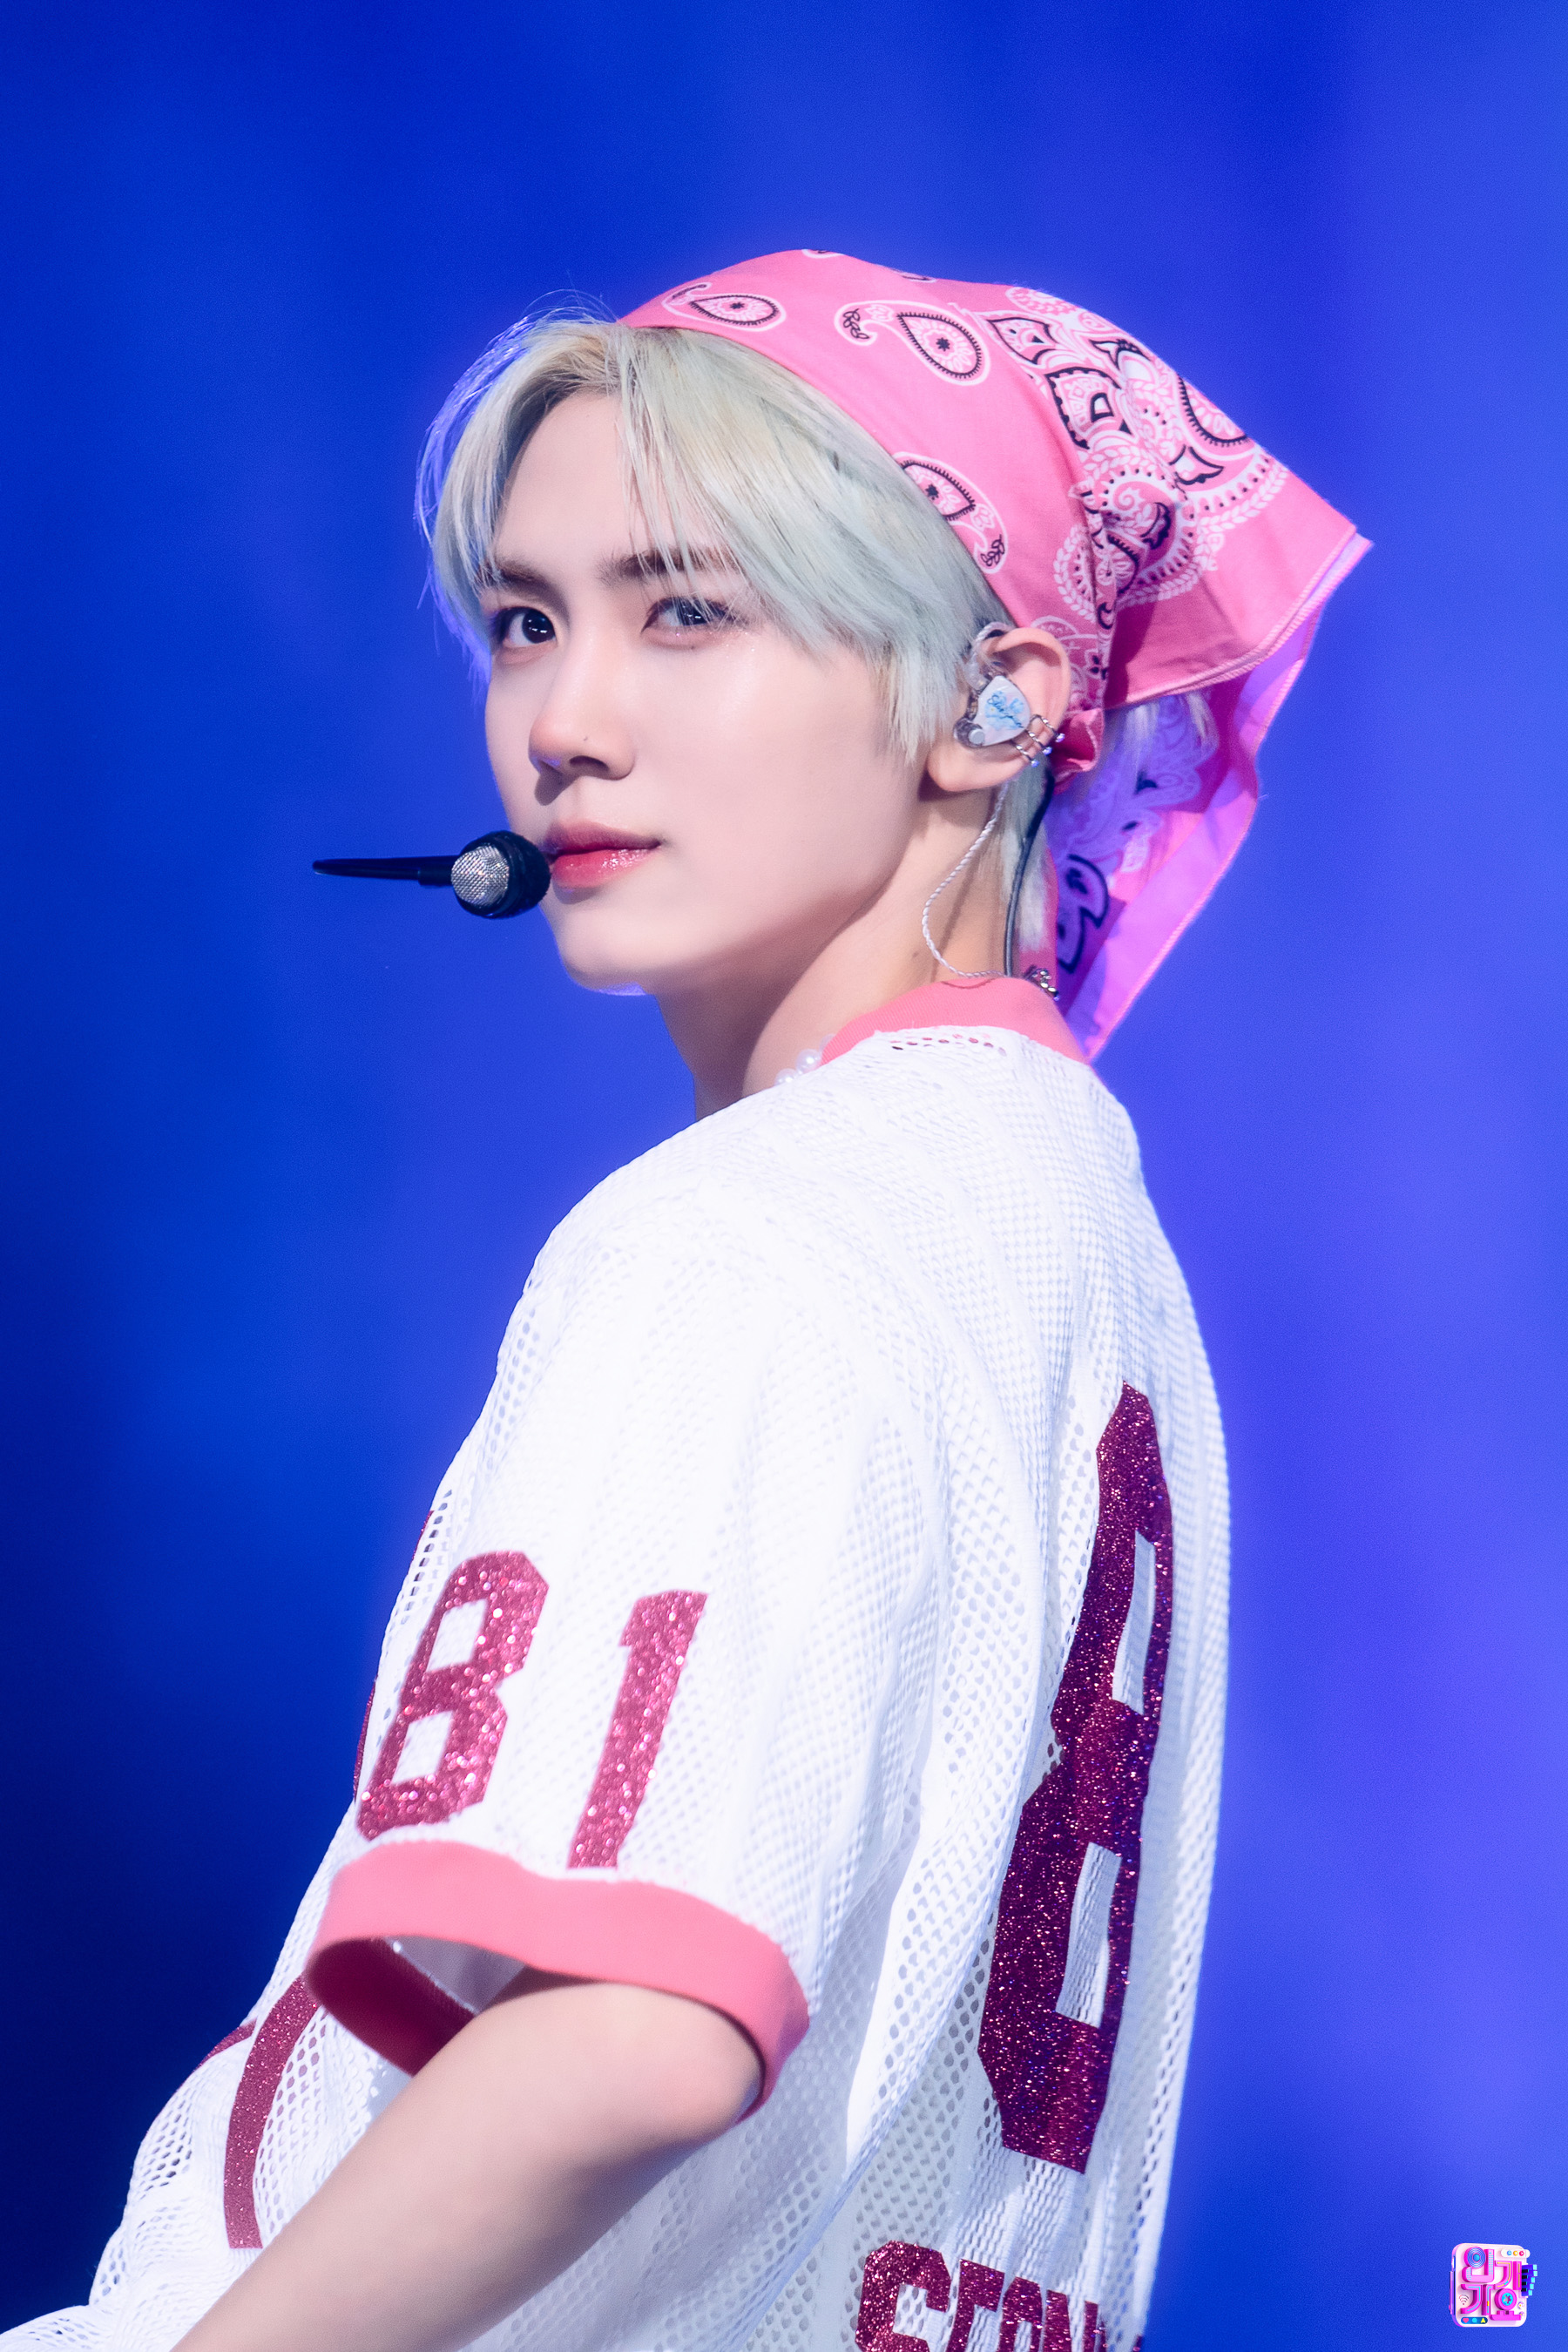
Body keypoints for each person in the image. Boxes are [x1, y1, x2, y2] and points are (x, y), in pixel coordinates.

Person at [7, 252, 1363, 2352]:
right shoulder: (1072, 1239)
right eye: (526, 622)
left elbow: (639, 2029)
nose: (562, 724)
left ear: (995, 704)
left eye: (688, 612)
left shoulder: (752, 1235)